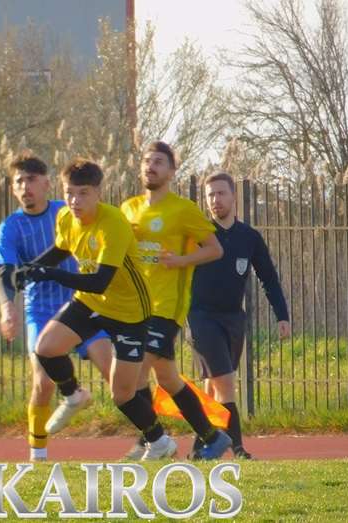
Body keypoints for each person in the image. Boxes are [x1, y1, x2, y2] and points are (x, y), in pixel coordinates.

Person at [18, 158, 178, 461]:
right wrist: (30, 269)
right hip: (90, 302)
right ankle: (73, 395)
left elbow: (100, 281)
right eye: (69, 192)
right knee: (46, 348)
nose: (74, 201)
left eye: (83, 193)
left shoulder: (113, 222)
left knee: (122, 394)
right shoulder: (65, 217)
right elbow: (61, 249)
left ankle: (159, 441)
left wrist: (50, 274)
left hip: (130, 312)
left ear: (98, 193)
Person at [0, 152, 113, 462]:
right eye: (19, 181)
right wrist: (7, 308)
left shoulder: (67, 211)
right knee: (43, 381)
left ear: (47, 184)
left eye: (31, 180)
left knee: (114, 371)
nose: (26, 187)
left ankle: (152, 439)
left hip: (82, 303)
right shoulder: (10, 228)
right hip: (41, 310)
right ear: (12, 189)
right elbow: (7, 274)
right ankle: (38, 453)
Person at [120, 141, 232, 460]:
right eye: (147, 160)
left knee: (136, 373)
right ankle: (213, 437)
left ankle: (151, 441)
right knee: (167, 378)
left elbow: (215, 249)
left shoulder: (183, 209)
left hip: (166, 307)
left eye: (158, 161)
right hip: (135, 308)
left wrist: (181, 261)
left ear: (171, 171)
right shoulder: (128, 209)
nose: (150, 166)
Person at [188, 171, 290, 459]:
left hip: (233, 319)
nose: (215, 200)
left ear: (233, 196)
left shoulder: (249, 237)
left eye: (221, 193)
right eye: (210, 195)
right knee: (225, 383)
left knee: (212, 386)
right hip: (201, 318)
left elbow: (269, 278)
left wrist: (282, 316)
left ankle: (199, 448)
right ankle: (238, 449)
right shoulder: (199, 234)